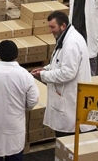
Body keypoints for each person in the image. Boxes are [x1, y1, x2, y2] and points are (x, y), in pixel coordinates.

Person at [31, 11, 92, 145]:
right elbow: (59, 62)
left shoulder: (71, 44)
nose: (50, 31)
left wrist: (43, 75)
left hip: (70, 98)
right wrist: (46, 69)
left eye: (53, 27)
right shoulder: (65, 38)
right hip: (66, 97)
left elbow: (67, 72)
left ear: (63, 25)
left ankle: (67, 157)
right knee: (65, 136)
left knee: (68, 139)